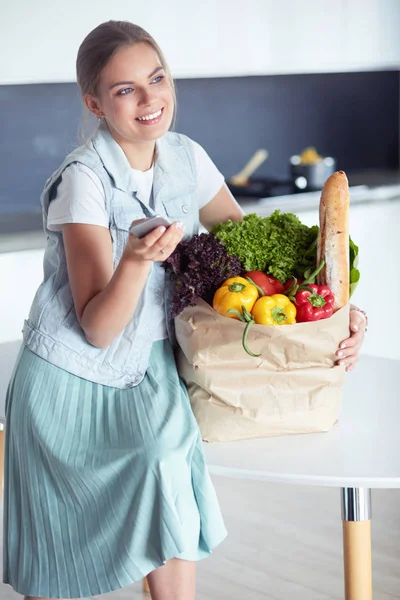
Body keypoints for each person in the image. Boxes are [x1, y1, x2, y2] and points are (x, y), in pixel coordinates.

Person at [2, 20, 367, 600]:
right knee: (61, 545)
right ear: (94, 102)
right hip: (71, 377)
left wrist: (329, 307)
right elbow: (97, 328)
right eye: (126, 90)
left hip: (150, 366)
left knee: (168, 470)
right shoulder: (84, 181)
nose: (150, 99)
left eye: (157, 78)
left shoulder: (184, 157)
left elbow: (249, 260)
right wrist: (136, 261)